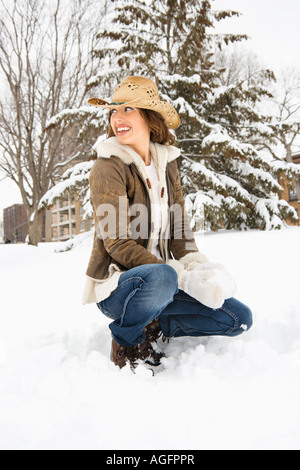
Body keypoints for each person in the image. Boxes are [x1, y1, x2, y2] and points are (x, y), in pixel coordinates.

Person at [82, 76, 252, 370]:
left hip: (165, 286)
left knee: (238, 319)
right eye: (113, 111)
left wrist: (196, 271)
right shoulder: (108, 166)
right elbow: (117, 243)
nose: (117, 118)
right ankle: (127, 338)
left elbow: (179, 232)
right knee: (162, 277)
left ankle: (156, 323)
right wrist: (175, 275)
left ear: (150, 117)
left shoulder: (167, 163)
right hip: (123, 288)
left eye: (127, 110)